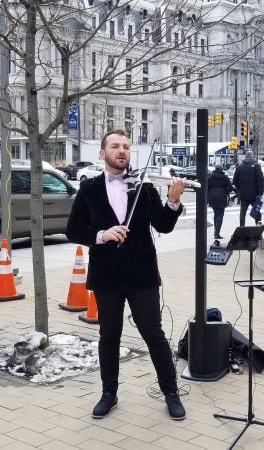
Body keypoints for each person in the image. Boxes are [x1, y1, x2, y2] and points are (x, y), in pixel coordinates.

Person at [65, 129, 187, 421]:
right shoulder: (90, 188)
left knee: (153, 334)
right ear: (103, 152)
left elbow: (163, 225)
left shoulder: (143, 187)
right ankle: (109, 393)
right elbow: (72, 230)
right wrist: (101, 234)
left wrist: (172, 200)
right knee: (109, 336)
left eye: (126, 147)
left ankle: (171, 392)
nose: (122, 151)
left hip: (141, 273)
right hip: (106, 275)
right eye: (116, 146)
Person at [232, 150, 264, 226]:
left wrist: (240, 187)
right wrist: (260, 193)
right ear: (253, 156)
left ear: (245, 157)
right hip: (254, 194)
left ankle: (242, 227)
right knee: (257, 211)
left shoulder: (239, 167)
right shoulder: (257, 166)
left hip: (243, 193)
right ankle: (258, 226)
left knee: (242, 212)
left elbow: (235, 180)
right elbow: (260, 180)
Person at [208, 165, 234, 239]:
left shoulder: (210, 177)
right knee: (220, 214)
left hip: (212, 196)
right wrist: (225, 191)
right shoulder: (225, 177)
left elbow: (207, 187)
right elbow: (231, 188)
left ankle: (215, 232)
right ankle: (217, 233)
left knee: (216, 213)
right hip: (222, 196)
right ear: (221, 169)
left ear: (215, 169)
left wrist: (209, 195)